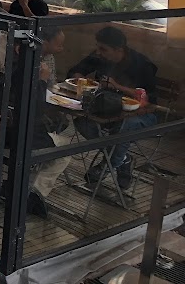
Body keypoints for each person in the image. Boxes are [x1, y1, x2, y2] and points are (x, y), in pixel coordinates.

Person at [68, 26, 158, 189]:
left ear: (118, 49)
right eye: (97, 47)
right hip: (107, 110)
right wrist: (80, 80)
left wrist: (118, 87)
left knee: (124, 128)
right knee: (82, 123)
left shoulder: (142, 64)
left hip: (140, 115)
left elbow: (150, 99)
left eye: (103, 49)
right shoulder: (99, 57)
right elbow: (76, 70)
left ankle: (107, 166)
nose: (98, 52)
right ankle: (123, 160)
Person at [27, 27, 68, 218]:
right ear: (45, 42)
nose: (61, 49)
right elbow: (35, 106)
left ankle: (25, 188)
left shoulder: (46, 58)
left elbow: (52, 85)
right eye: (58, 45)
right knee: (66, 151)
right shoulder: (31, 62)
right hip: (24, 135)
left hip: (11, 133)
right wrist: (42, 82)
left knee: (59, 126)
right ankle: (34, 194)